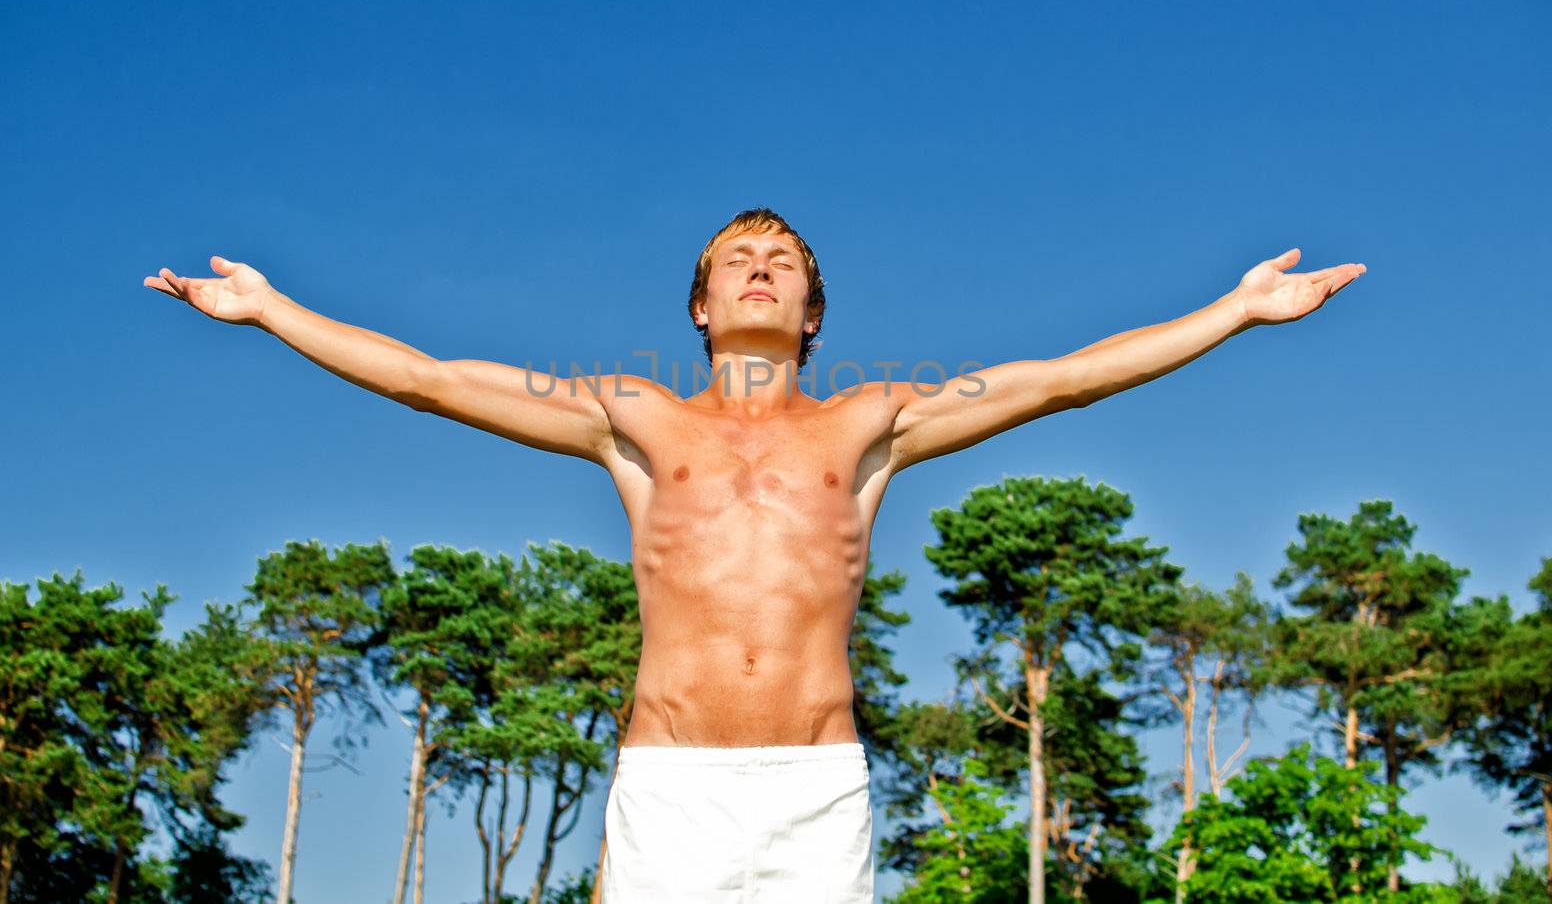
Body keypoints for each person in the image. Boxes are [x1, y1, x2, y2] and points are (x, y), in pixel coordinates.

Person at [144, 208, 1365, 901]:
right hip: (668, 788)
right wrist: (272, 310)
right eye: (739, 256)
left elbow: (1062, 382)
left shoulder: (873, 418)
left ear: (812, 312)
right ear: (701, 303)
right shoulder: (632, 413)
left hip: (814, 789)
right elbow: (429, 380)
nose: (763, 267)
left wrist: (1231, 310)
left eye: (785, 261)